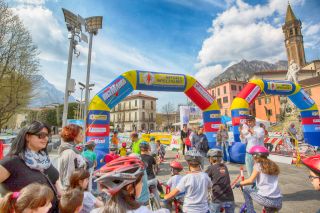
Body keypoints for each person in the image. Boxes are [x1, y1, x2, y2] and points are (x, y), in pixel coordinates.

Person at [0, 121, 60, 212]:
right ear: (28, 136)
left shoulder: (44, 159)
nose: (46, 139)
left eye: (48, 135)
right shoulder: (12, 161)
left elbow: (55, 179)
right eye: (42, 135)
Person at [92, 156, 169, 213]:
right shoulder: (142, 211)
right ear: (129, 187)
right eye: (140, 182)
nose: (142, 185)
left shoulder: (95, 211)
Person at [235, 145, 282, 213]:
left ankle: (250, 211)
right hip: (278, 201)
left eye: (252, 156)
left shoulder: (258, 165)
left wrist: (239, 183)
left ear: (255, 156)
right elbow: (266, 180)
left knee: (246, 190)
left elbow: (250, 180)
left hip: (266, 199)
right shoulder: (272, 164)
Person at [206, 148, 235, 213]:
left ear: (211, 159)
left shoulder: (211, 168)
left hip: (217, 199)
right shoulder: (225, 166)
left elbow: (203, 178)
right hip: (230, 198)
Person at [58, 124, 86, 189]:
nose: (83, 136)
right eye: (81, 134)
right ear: (74, 136)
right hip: (71, 192)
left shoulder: (73, 150)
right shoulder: (70, 152)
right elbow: (68, 177)